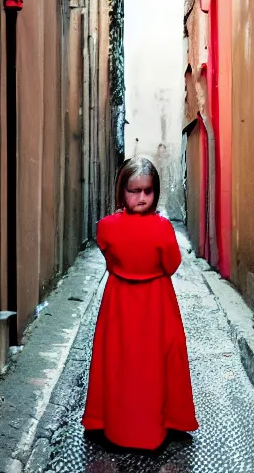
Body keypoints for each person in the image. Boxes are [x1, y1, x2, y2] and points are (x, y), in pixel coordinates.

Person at [82, 157, 198, 450]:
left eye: (147, 191)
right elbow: (171, 264)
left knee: (117, 360)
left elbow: (110, 260)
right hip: (157, 302)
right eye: (136, 191)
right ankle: (165, 421)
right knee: (159, 361)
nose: (142, 197)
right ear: (123, 191)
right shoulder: (162, 228)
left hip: (119, 301)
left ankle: (107, 420)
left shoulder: (106, 227)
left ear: (154, 193)